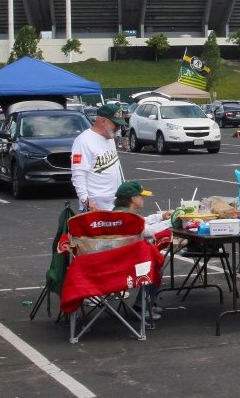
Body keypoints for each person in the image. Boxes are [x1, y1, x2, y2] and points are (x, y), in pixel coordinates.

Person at [113, 180, 171, 320]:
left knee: (154, 265)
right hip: (126, 263)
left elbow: (142, 220)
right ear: (133, 199)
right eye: (141, 196)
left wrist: (161, 216)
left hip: (112, 260)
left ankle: (144, 304)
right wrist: (171, 221)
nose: (143, 199)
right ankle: (142, 306)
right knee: (155, 266)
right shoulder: (129, 217)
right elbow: (148, 231)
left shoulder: (117, 213)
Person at [71, 102, 128, 212]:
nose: (118, 128)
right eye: (116, 125)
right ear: (103, 121)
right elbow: (78, 174)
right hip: (95, 207)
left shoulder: (110, 139)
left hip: (115, 204)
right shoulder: (83, 141)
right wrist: (85, 200)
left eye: (120, 125)